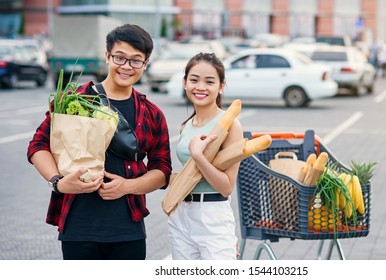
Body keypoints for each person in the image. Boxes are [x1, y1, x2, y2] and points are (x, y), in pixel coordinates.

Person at [27, 24, 172, 260]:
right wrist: (58, 183)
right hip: (78, 226)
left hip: (128, 230)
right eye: (120, 57)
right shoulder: (74, 99)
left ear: (145, 65)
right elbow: (38, 145)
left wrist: (127, 186)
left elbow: (162, 170)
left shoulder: (151, 113)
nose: (126, 66)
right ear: (107, 56)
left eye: (136, 60)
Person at [167, 52, 243, 260]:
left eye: (209, 82)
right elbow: (186, 173)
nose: (200, 87)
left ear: (221, 87)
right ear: (184, 83)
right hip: (181, 212)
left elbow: (226, 186)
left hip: (212, 216)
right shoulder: (187, 125)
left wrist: (199, 157)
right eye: (194, 80)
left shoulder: (230, 125)